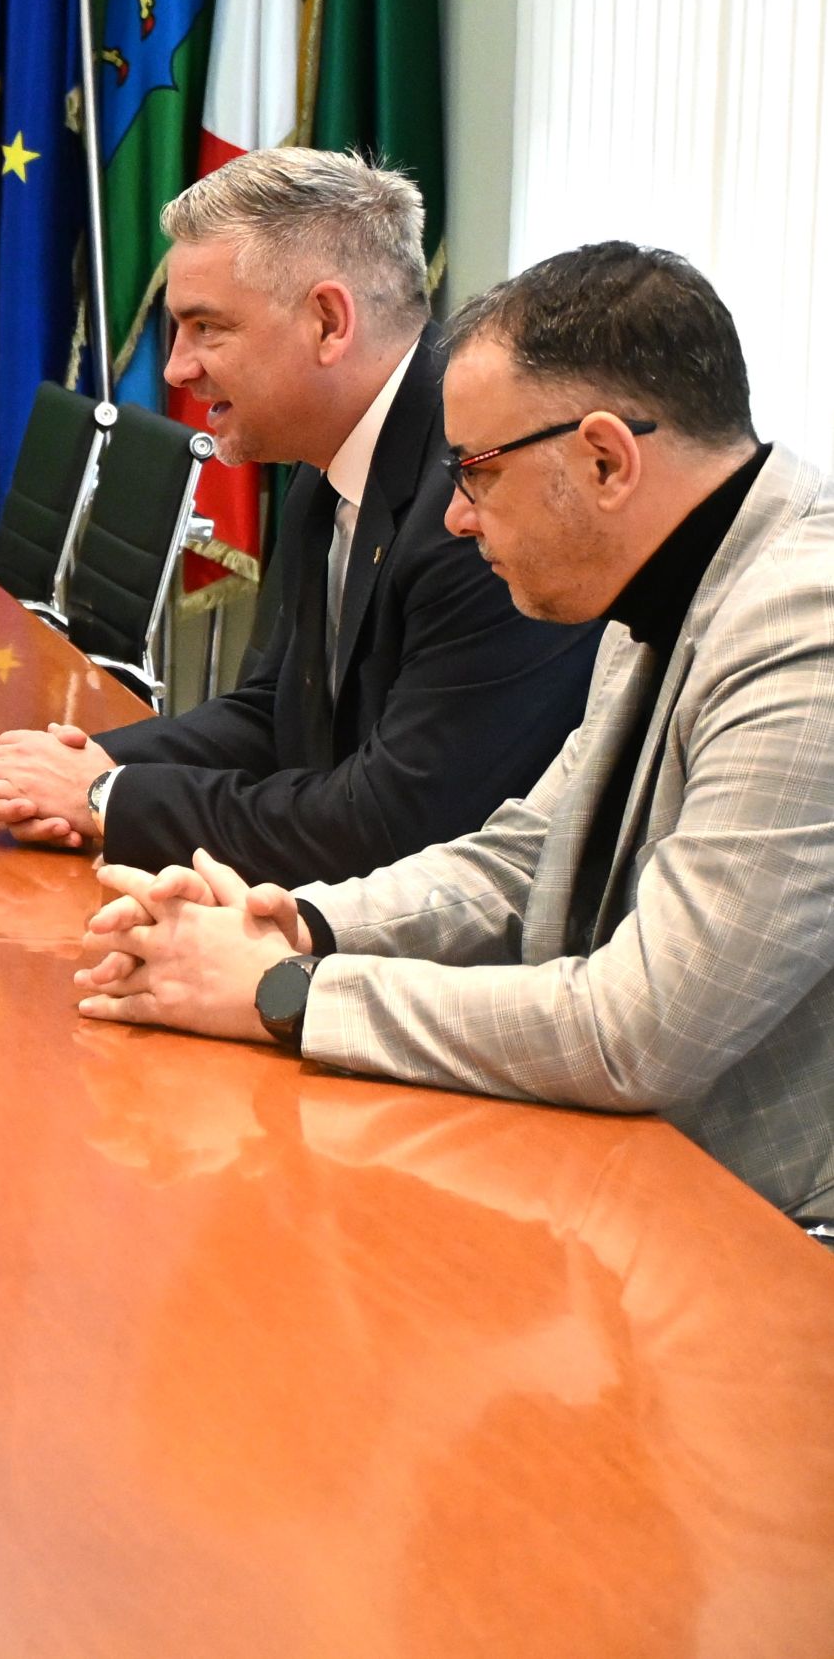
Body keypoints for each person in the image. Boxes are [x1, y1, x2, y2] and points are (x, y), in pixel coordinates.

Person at [73, 243, 834, 1229]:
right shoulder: (662, 564)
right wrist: (297, 923)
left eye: (475, 471)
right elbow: (522, 857)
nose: (456, 517)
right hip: (628, 1184)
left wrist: (287, 991)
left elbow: (637, 1027)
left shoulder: (803, 631)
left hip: (772, 1241)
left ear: (605, 460)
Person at [0, 149, 595, 879]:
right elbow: (278, 711)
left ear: (329, 322)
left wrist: (107, 798)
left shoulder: (478, 498)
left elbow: (397, 825)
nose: (176, 367)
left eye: (207, 327)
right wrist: (94, 760)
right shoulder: (331, 447)